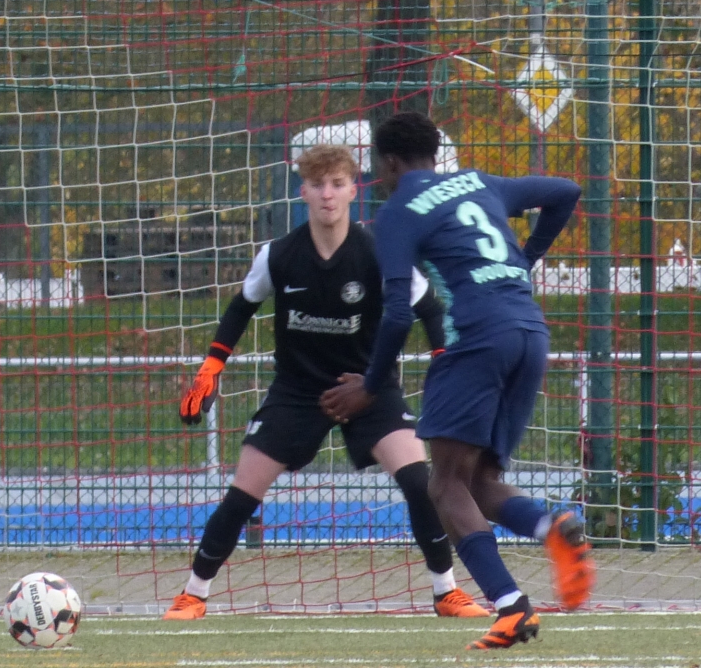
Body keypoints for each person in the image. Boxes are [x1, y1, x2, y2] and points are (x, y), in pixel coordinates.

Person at [167, 142, 489, 621]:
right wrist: (212, 366)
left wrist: (445, 364)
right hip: (297, 391)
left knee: (420, 482)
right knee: (242, 494)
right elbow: (240, 308)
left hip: (370, 388)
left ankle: (446, 591)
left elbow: (430, 309)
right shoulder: (278, 255)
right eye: (317, 185)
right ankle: (193, 594)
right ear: (303, 192)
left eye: (337, 184)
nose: (327, 194)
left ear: (353, 190)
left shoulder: (381, 252)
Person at [322, 111, 591, 650]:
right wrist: (525, 259)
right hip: (529, 331)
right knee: (479, 482)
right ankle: (550, 527)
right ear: (434, 153)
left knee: (443, 485)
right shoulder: (479, 182)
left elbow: (398, 313)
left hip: (474, 339)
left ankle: (511, 607)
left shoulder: (398, 212)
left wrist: (370, 386)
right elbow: (566, 191)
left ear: (387, 162)